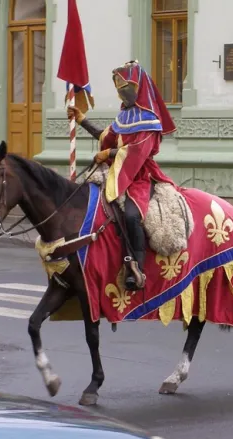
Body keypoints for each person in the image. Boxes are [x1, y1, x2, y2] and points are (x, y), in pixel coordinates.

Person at [67, 60, 177, 291]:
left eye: (127, 87)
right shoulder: (125, 115)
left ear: (140, 88)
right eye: (120, 88)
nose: (123, 92)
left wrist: (109, 153)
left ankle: (136, 268)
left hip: (140, 175)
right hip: (118, 172)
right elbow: (107, 136)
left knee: (130, 215)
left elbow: (138, 152)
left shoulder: (150, 119)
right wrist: (82, 120)